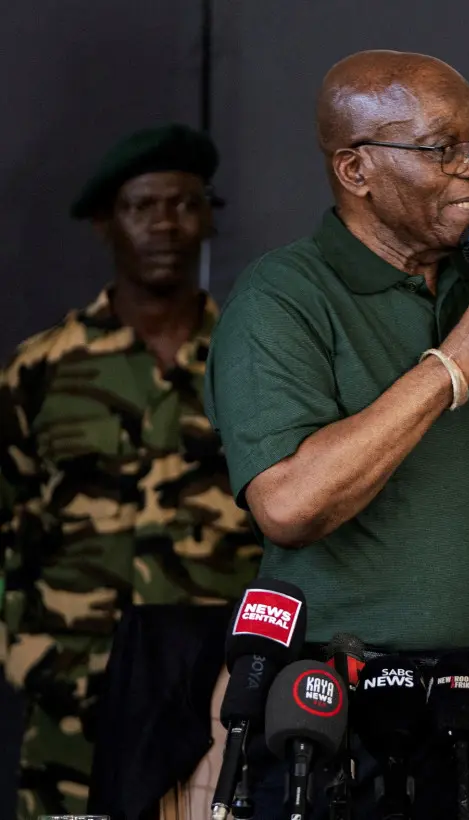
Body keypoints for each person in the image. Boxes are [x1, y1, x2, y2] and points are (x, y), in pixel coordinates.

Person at [203, 50, 469, 817]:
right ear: (356, 170)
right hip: (348, 709)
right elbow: (288, 503)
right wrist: (451, 367)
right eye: (441, 149)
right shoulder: (283, 298)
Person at [0, 124, 262, 819]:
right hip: (73, 700)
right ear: (104, 222)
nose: (165, 225)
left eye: (183, 204)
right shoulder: (41, 369)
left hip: (218, 701)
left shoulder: (255, 363)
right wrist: (23, 652)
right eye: (142, 206)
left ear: (207, 217)